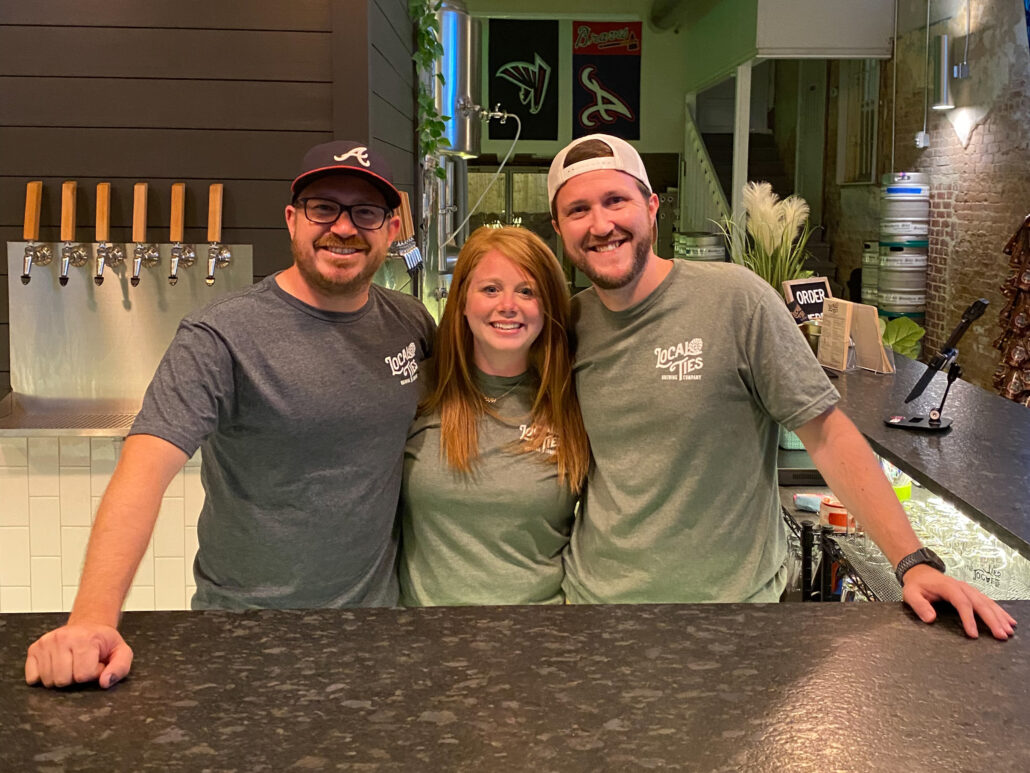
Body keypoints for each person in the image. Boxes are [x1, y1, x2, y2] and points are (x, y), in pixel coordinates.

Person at [548, 133, 1017, 639]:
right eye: (578, 210)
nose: (601, 225)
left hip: (734, 612)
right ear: (558, 228)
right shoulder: (566, 327)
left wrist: (913, 562)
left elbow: (828, 435)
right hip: (596, 608)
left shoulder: (736, 300)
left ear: (652, 206)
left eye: (616, 200)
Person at [25, 140, 436, 689]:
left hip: (375, 629)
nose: (344, 227)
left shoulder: (410, 323)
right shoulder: (221, 336)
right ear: (292, 220)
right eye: (323, 208)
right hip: (244, 633)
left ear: (390, 229)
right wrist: (93, 619)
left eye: (365, 212)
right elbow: (143, 471)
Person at [399, 226, 589, 605]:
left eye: (527, 291)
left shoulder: (574, 397)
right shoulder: (417, 390)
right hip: (425, 640)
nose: (508, 305)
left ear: (548, 306)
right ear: (462, 301)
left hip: (543, 636)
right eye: (490, 289)